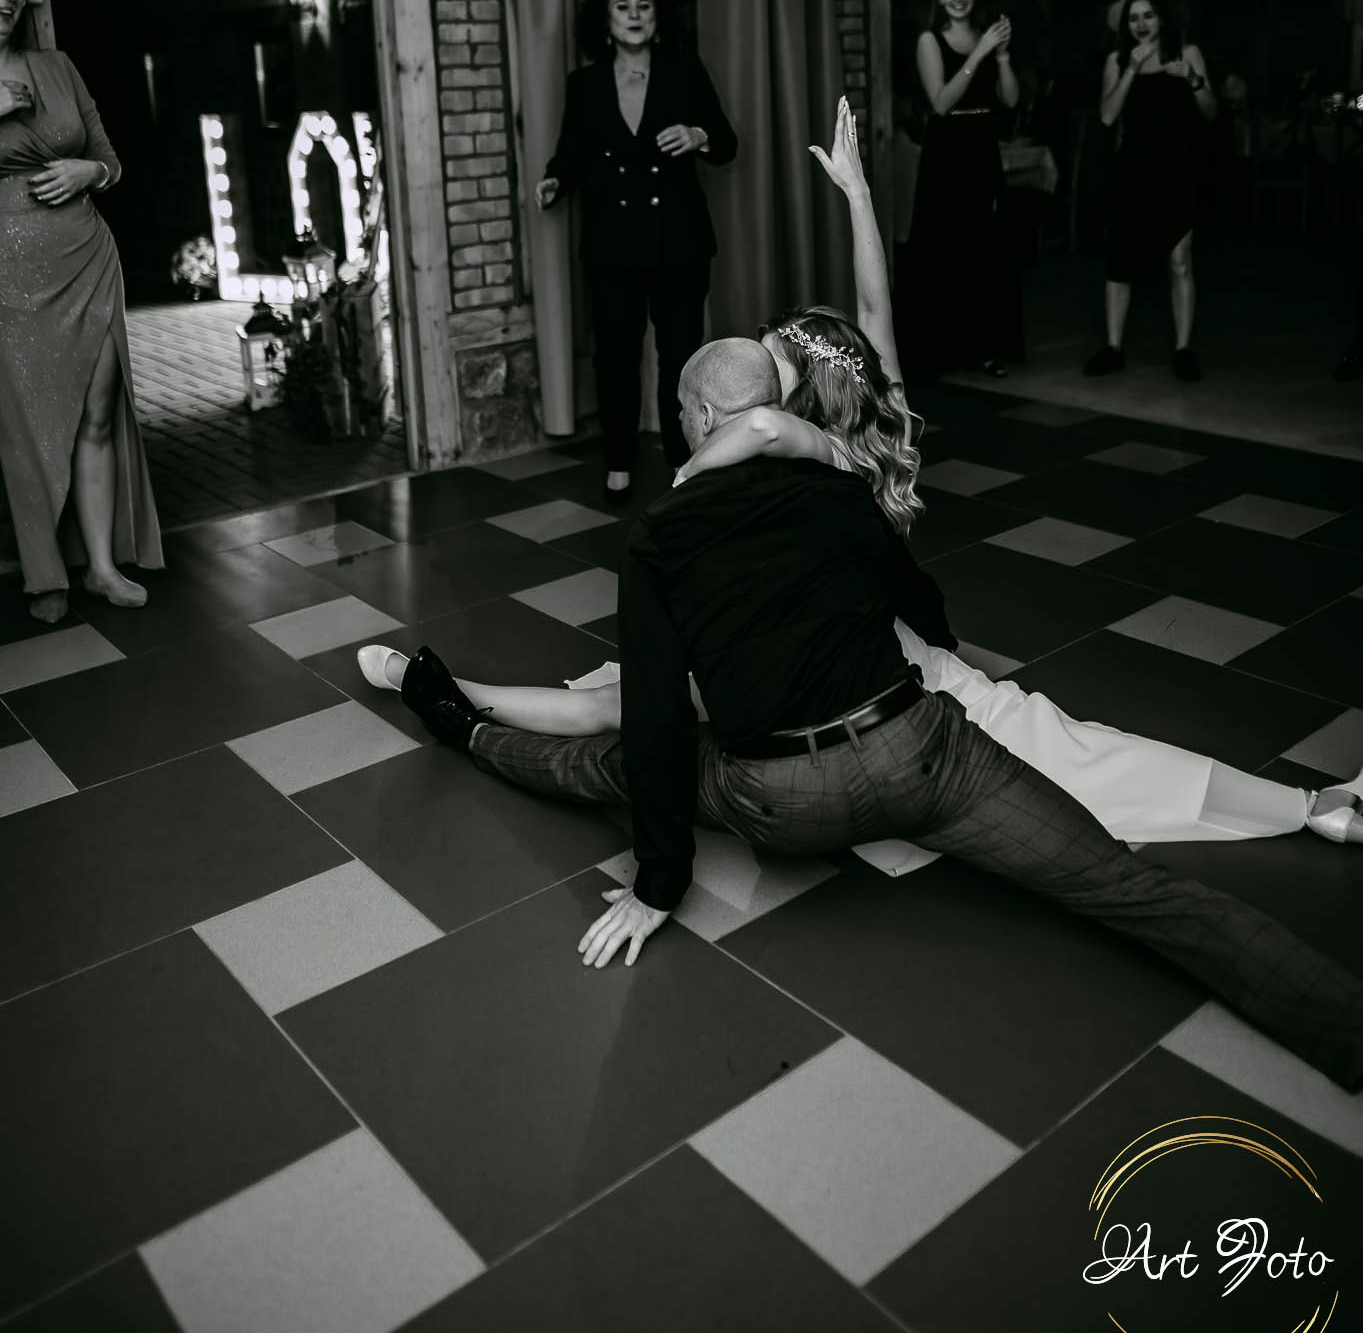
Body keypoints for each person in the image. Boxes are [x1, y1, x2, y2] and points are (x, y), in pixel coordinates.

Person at [359, 101, 1360, 848]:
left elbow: (769, 424)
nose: (755, 385)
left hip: (886, 681)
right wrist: (857, 196)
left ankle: (1312, 805)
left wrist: (690, 473)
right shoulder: (871, 436)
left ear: (794, 398)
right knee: (619, 698)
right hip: (812, 657)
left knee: (1083, 760)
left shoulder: (820, 454)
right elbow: (874, 321)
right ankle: (444, 687)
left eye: (770, 369)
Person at [398, 336, 1363, 1091]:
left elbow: (652, 717)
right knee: (1127, 885)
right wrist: (938, 649)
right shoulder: (838, 487)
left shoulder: (660, 534)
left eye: (685, 411)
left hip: (783, 796)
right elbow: (912, 596)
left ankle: (460, 724)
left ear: (699, 417)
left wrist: (658, 885)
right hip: (923, 755)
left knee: (608, 762)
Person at [0, 0, 162, 622]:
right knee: (25, 427)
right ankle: (45, 575)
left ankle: (100, 567)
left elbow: (109, 158)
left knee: (97, 414)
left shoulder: (57, 66)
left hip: (87, 258)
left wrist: (88, 172)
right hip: (7, 276)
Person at [535, 0, 737, 501]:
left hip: (679, 239)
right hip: (612, 243)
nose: (633, 15)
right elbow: (571, 154)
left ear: (658, 16)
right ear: (604, 21)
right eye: (622, 7)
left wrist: (697, 135)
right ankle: (619, 462)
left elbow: (726, 141)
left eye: (643, 6)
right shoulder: (584, 84)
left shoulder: (684, 70)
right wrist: (554, 181)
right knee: (616, 358)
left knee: (680, 357)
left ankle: (682, 458)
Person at [897, 0, 1022, 381]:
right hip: (948, 150)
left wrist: (1001, 56)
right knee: (945, 246)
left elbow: (1010, 99)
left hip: (982, 145)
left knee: (984, 246)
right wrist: (981, 52)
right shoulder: (930, 40)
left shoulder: (986, 37)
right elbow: (940, 102)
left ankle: (983, 346)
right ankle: (941, 347)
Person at [1085, 0, 1217, 382]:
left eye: (1148, 15)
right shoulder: (1116, 60)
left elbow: (1211, 113)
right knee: (1119, 261)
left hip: (1177, 169)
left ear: (1161, 17)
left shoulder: (1187, 53)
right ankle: (1113, 348)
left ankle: (1183, 349)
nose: (1141, 24)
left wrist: (1193, 79)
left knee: (1180, 261)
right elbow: (1107, 116)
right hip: (1132, 171)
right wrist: (1130, 69)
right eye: (1133, 18)